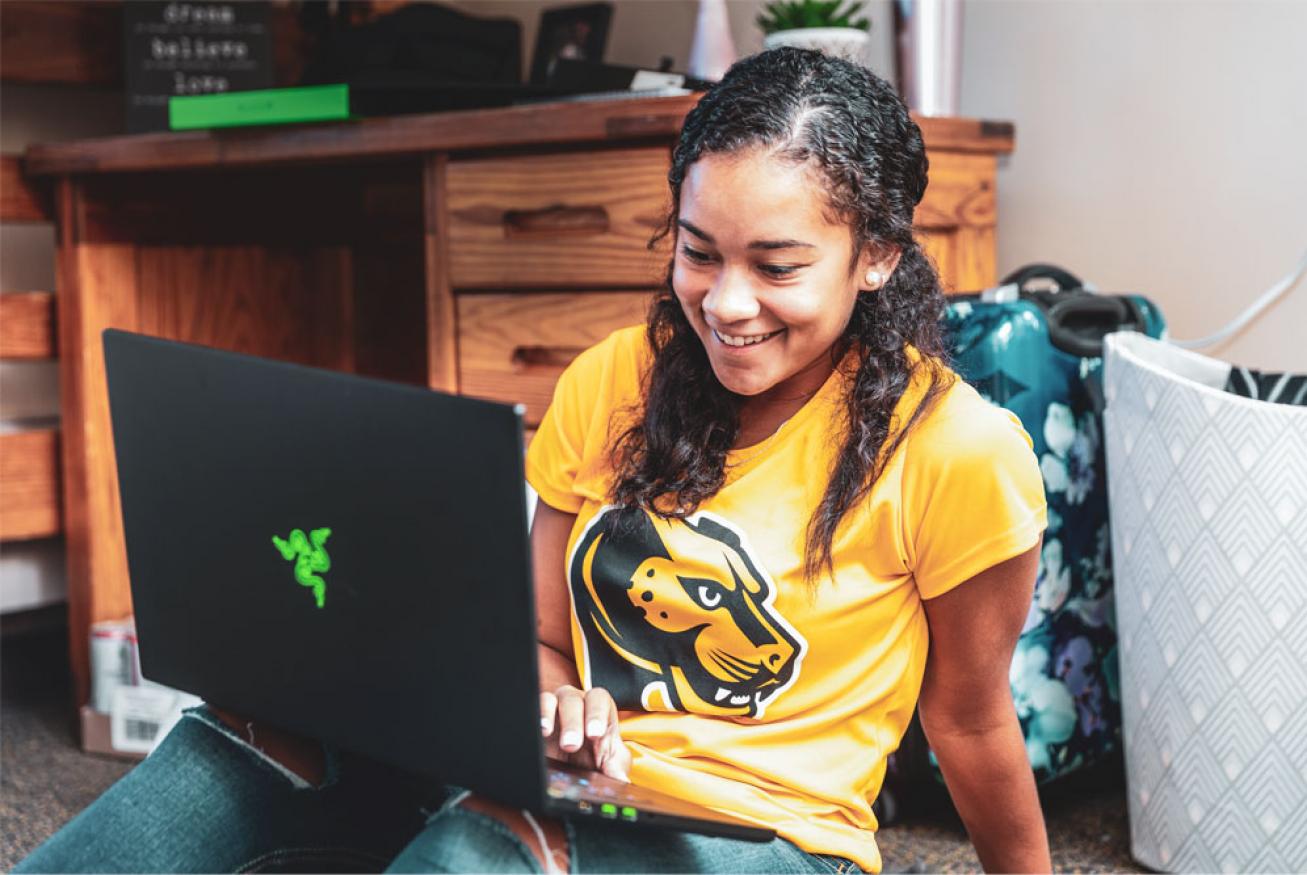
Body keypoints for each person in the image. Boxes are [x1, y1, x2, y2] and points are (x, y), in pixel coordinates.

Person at [17, 48, 1051, 874]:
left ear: (874, 256)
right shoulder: (617, 379)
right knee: (238, 745)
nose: (725, 303)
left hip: (768, 834)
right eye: (698, 251)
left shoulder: (956, 450)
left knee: (484, 845)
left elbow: (967, 720)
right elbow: (542, 640)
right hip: (561, 779)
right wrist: (552, 700)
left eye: (775, 265)